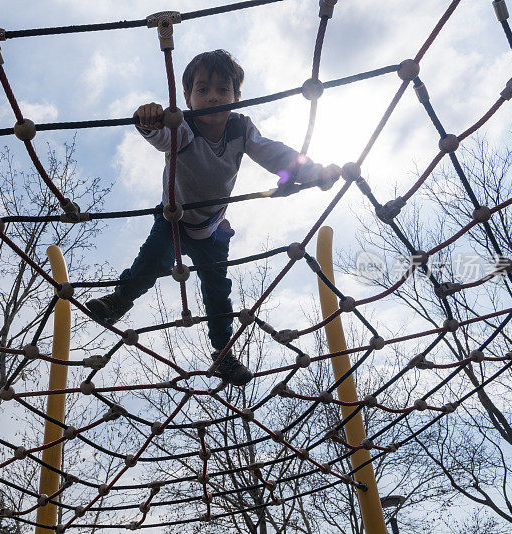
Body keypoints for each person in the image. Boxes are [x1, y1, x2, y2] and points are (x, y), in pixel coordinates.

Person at [87, 50, 335, 386]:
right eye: (202, 90)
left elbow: (272, 152)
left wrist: (312, 171)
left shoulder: (240, 128)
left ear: (236, 97)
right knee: (149, 264)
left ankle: (222, 353)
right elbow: (164, 139)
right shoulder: (184, 126)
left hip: (213, 228)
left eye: (222, 89)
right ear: (187, 98)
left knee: (217, 293)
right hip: (173, 220)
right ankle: (121, 299)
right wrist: (148, 121)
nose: (213, 96)